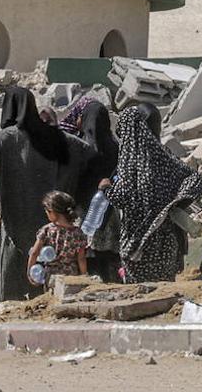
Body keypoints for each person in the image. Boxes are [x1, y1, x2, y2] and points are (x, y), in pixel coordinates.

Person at [0, 88, 95, 300]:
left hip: (15, 220)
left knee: (12, 273)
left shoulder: (8, 137)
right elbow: (85, 150)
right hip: (51, 217)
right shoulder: (56, 136)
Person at [103, 104, 202, 283]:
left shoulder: (130, 160)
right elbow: (197, 181)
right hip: (168, 241)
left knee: (141, 293)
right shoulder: (165, 156)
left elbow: (122, 197)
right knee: (166, 290)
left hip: (140, 244)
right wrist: (174, 204)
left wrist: (105, 188)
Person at [61, 96, 122, 283]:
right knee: (108, 256)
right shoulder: (115, 147)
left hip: (84, 212)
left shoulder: (78, 147)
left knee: (85, 256)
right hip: (109, 212)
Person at [28, 191, 87, 282]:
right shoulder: (78, 233)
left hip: (51, 276)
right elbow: (81, 258)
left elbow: (34, 253)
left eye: (47, 212)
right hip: (71, 277)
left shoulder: (46, 230)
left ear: (52, 211)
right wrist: (84, 277)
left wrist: (30, 273)